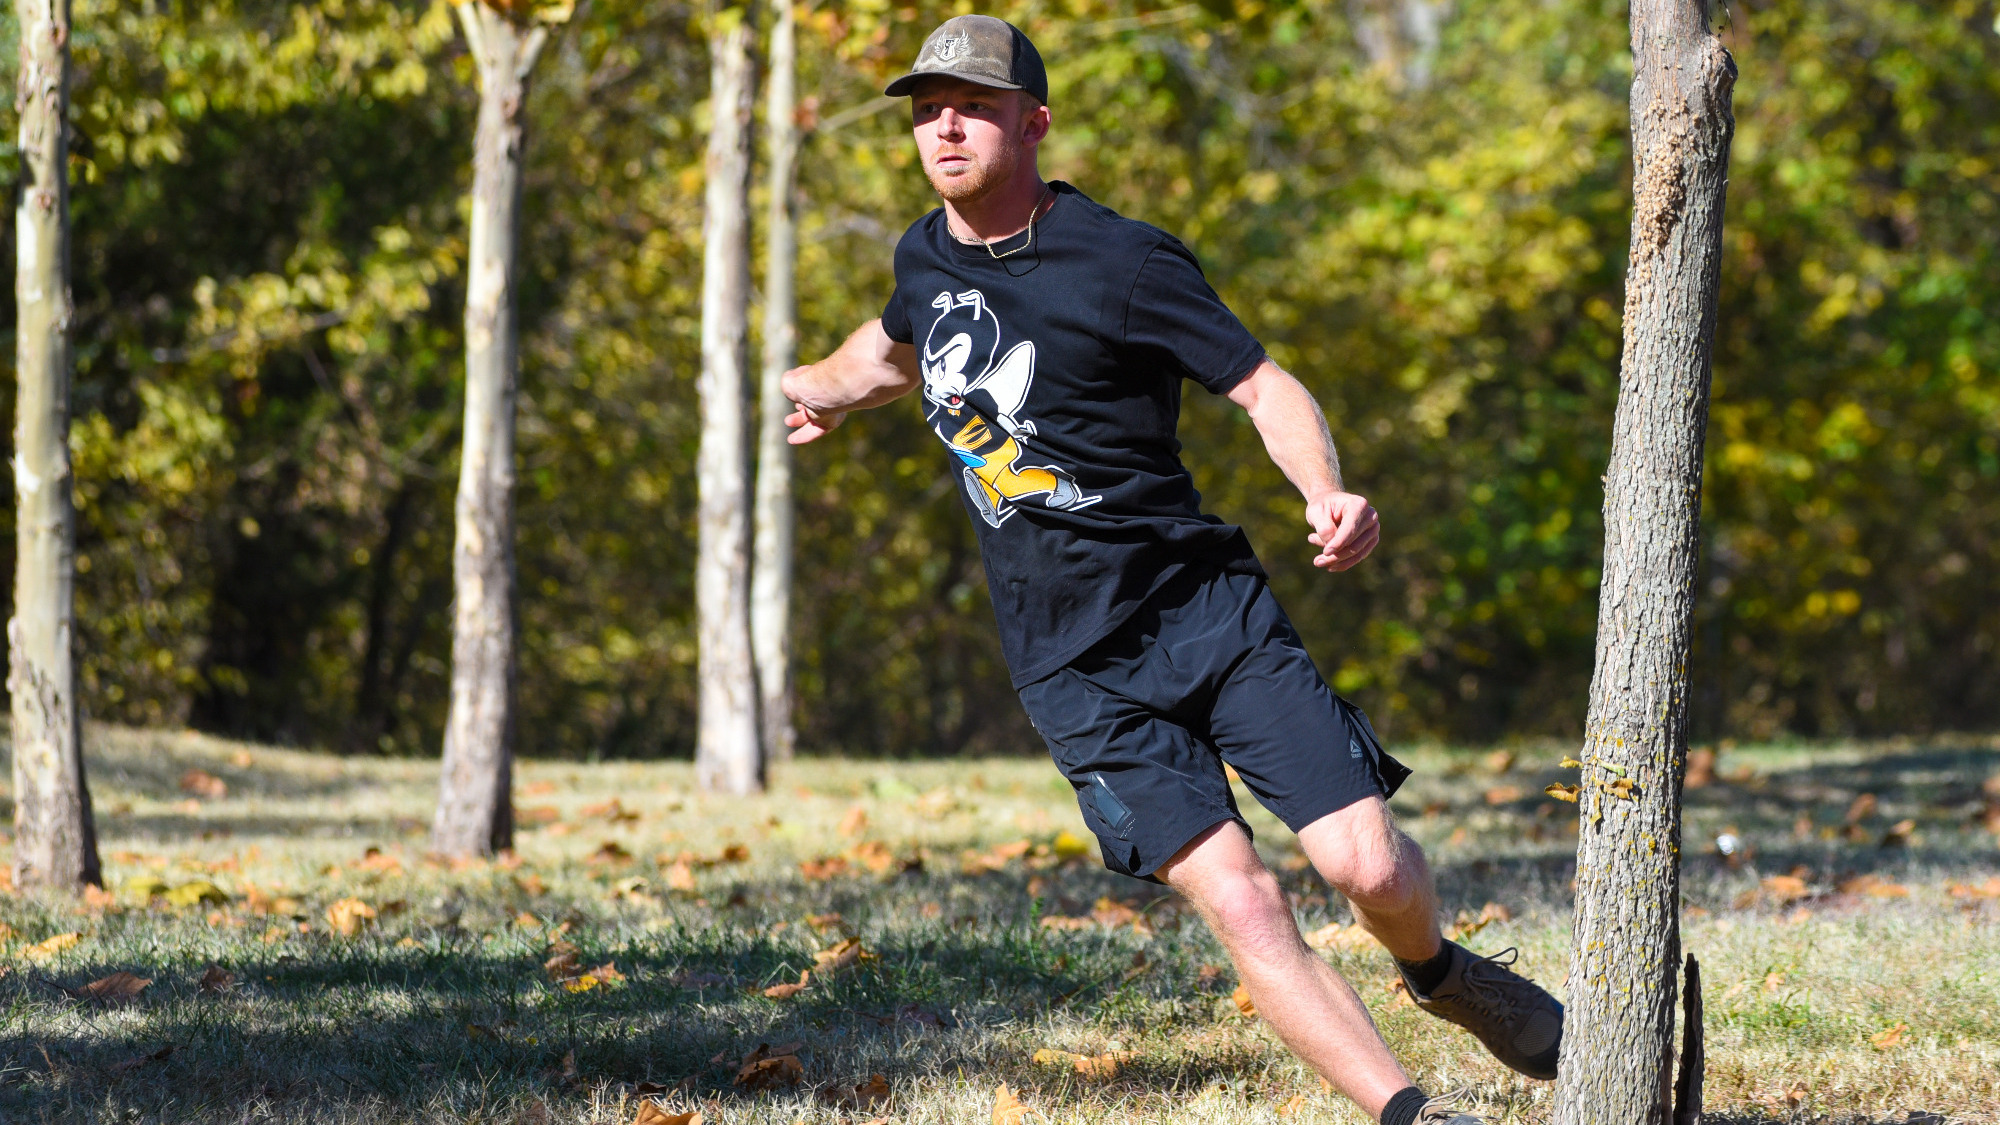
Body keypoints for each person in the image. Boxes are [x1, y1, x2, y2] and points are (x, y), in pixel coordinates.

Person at [780, 16, 1563, 1125]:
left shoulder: (1126, 262)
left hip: (1203, 612)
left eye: (973, 108)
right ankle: (1413, 1115)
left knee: (1367, 867)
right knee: (1242, 903)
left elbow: (1262, 386)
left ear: (1033, 124)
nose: (944, 128)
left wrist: (1324, 491)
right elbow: (890, 350)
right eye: (926, 110)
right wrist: (813, 387)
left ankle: (1436, 970)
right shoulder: (924, 255)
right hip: (1070, 666)